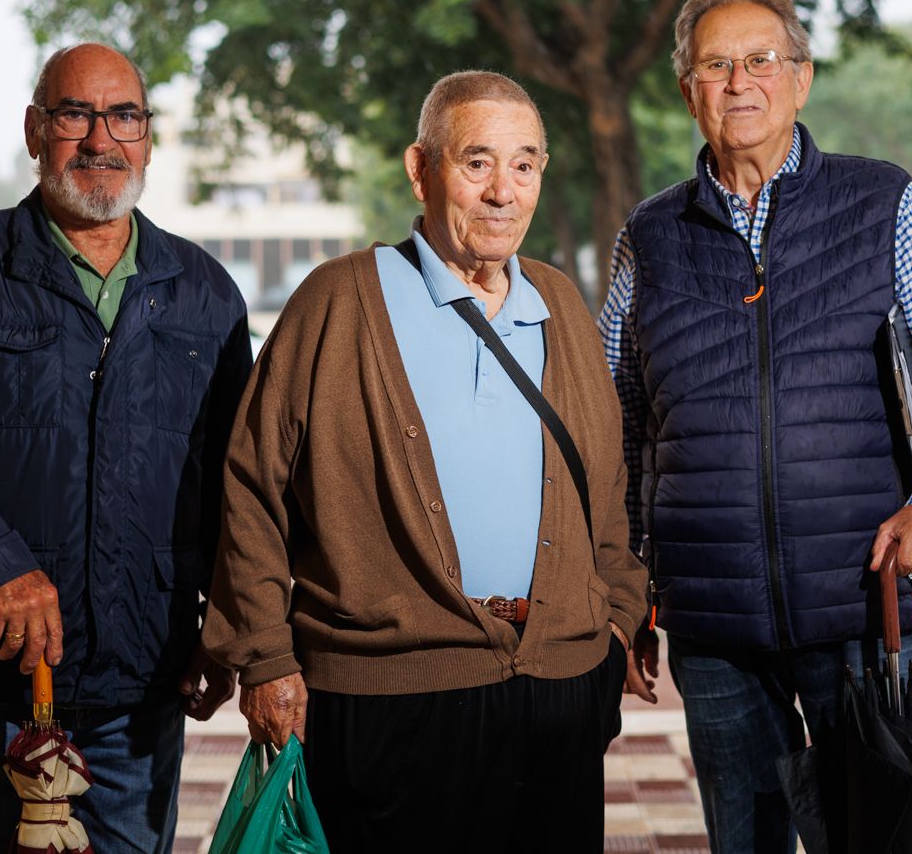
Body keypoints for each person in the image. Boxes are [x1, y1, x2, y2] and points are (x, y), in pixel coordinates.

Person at [598, 0, 912, 854]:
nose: (740, 81)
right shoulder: (651, 234)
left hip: (868, 611)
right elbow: (618, 430)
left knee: (888, 840)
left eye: (761, 60)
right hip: (711, 630)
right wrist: (625, 584)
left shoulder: (886, 203)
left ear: (802, 79)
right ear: (688, 90)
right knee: (744, 843)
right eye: (715, 65)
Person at [203, 70, 650, 852]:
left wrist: (613, 625)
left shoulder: (562, 307)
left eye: (525, 164)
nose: (502, 192)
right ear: (421, 169)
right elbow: (250, 487)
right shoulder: (339, 302)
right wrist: (266, 658)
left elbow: (607, 493)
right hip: (387, 702)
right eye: (476, 162)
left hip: (559, 691)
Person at [0, 43, 251, 853]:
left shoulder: (204, 293)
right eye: (75, 115)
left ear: (148, 137)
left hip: (141, 691)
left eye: (124, 116)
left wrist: (228, 624)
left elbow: (236, 485)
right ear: (36, 132)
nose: (101, 139)